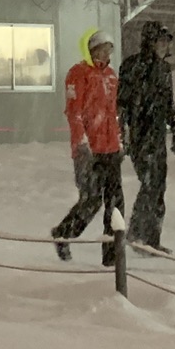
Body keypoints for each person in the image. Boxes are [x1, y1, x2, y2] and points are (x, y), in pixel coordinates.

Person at [50, 29, 124, 265]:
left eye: (109, 49)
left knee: (115, 203)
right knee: (91, 199)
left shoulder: (111, 76)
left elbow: (113, 113)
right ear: (92, 50)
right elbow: (74, 112)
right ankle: (64, 233)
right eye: (102, 48)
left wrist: (120, 140)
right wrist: (81, 143)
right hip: (88, 150)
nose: (106, 53)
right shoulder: (78, 73)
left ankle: (112, 257)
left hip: (110, 148)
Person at [116, 21, 175, 252]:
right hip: (139, 135)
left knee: (158, 186)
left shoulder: (164, 70)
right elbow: (122, 103)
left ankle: (151, 238)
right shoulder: (132, 66)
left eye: (167, 42)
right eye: (161, 41)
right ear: (150, 42)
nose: (165, 46)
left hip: (157, 136)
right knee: (149, 184)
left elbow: (168, 102)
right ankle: (137, 234)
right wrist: (122, 133)